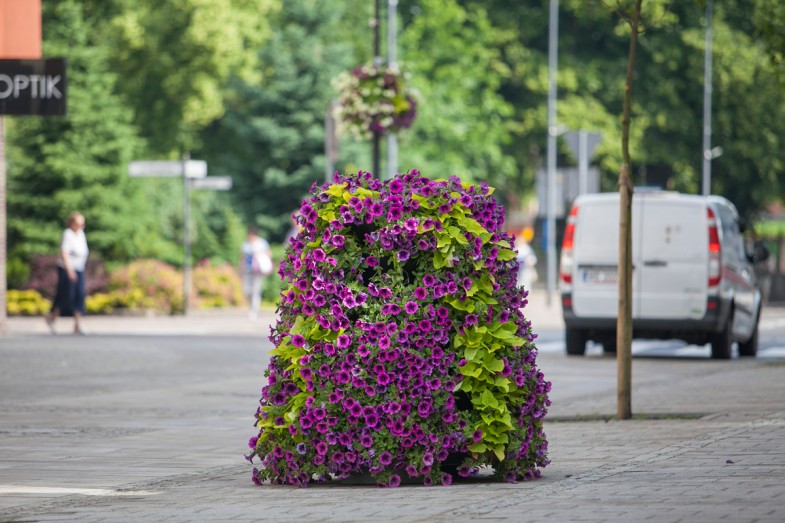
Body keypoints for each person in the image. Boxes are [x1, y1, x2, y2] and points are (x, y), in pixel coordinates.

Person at [45, 211, 89, 335]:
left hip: (79, 269)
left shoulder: (81, 234)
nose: (81, 227)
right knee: (65, 295)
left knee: (79, 295)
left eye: (83, 224)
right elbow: (64, 253)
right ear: (72, 223)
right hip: (67, 269)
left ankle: (77, 324)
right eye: (79, 224)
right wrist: (70, 271)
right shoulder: (68, 234)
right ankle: (52, 318)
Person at [240, 227, 273, 318]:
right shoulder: (246, 244)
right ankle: (251, 306)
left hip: (257, 270)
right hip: (247, 269)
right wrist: (240, 269)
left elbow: (269, 254)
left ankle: (254, 310)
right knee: (247, 290)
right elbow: (242, 257)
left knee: (256, 290)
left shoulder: (262, 243)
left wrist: (260, 257)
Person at [515, 226, 538, 290]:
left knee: (525, 284)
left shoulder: (527, 248)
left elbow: (533, 258)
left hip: (525, 270)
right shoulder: (515, 249)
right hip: (517, 271)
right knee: (518, 284)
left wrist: (529, 261)